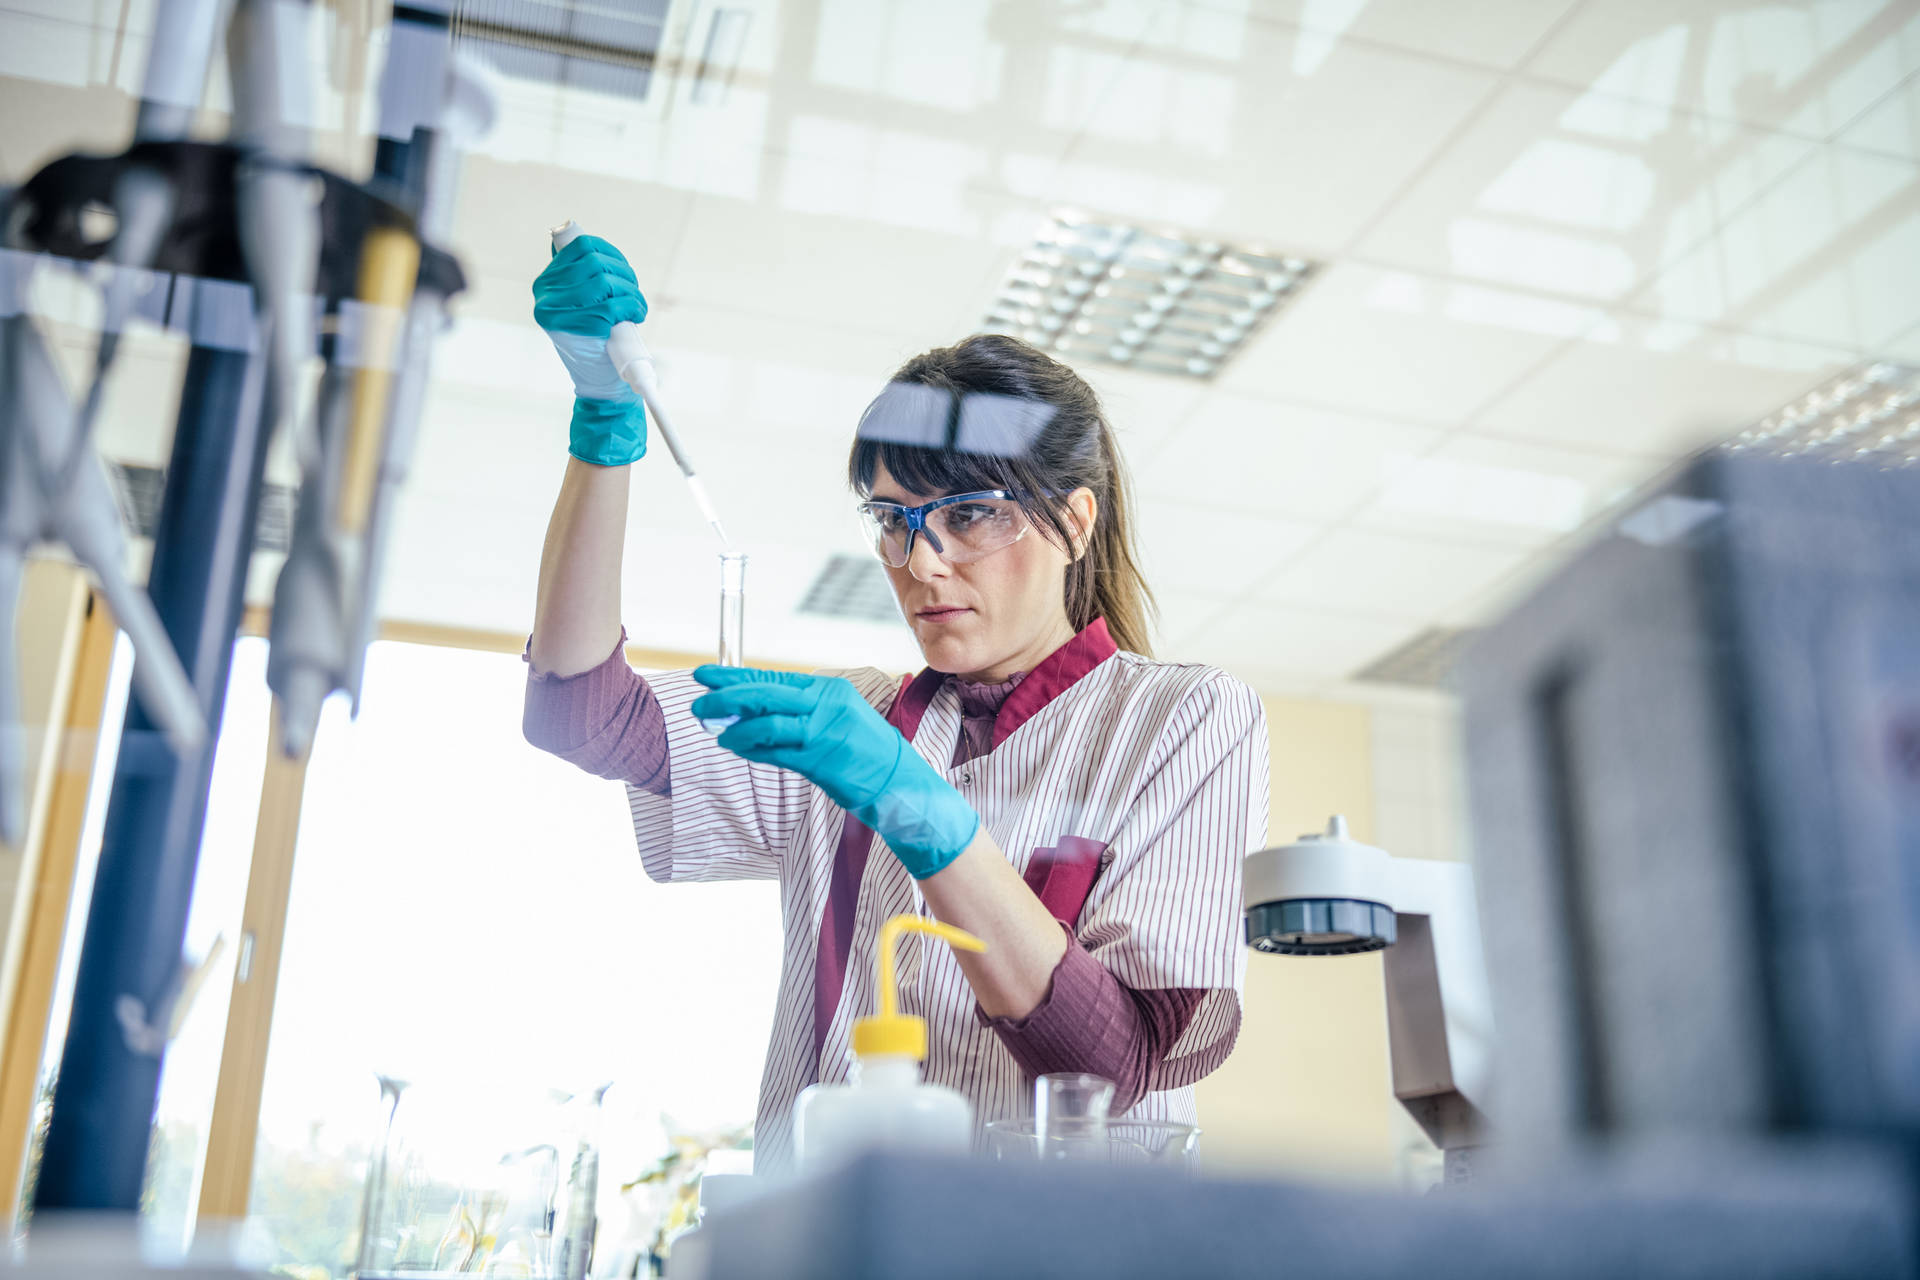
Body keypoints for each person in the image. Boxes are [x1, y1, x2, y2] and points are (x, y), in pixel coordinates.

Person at [522, 233, 1269, 1171]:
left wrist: (921, 812)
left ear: (1074, 522)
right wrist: (604, 425)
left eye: (968, 513)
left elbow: (1110, 1062)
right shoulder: (854, 725)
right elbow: (580, 713)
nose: (920, 562)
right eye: (894, 521)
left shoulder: (1183, 722)